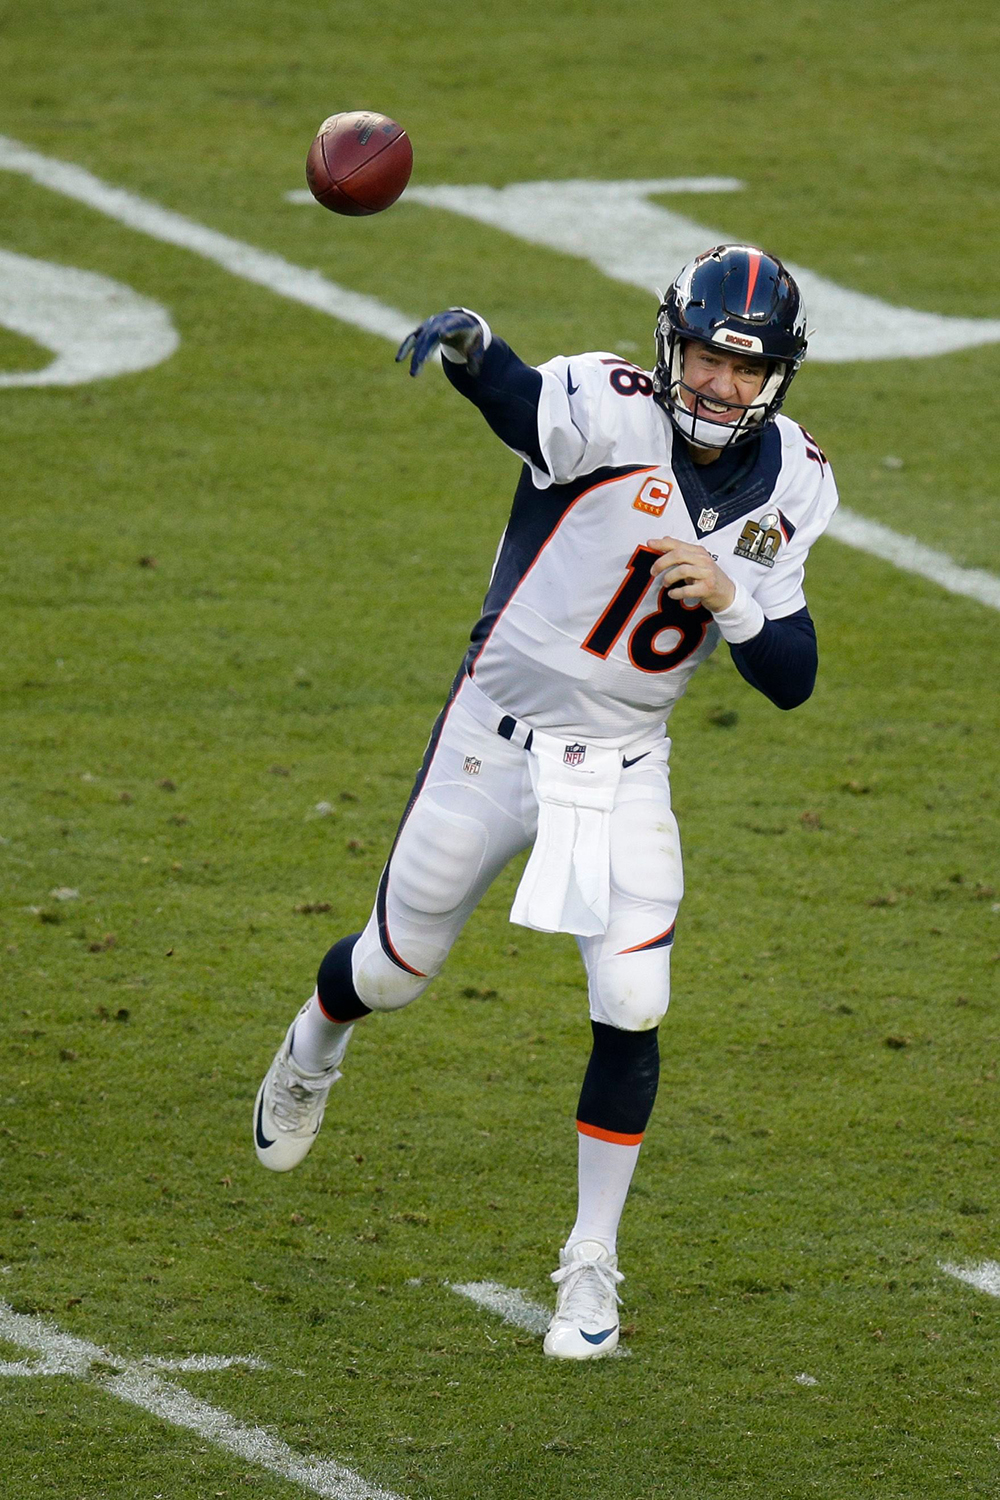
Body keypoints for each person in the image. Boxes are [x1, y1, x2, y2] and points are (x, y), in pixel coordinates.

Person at [253, 244, 838, 1360]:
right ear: (672, 346)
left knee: (633, 1000)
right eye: (708, 358)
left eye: (744, 368)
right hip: (495, 740)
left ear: (780, 376)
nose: (720, 385)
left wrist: (739, 608)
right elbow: (519, 399)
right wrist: (473, 344)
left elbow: (794, 677)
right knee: (392, 969)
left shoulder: (798, 482)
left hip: (622, 763)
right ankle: (315, 1044)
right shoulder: (611, 407)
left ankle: (590, 1263)